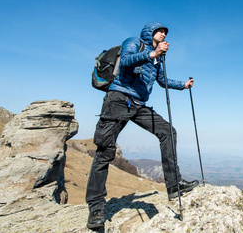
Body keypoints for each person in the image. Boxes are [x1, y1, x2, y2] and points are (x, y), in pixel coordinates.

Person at [85, 22, 199, 230]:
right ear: (149, 33)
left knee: (168, 132)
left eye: (165, 32)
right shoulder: (133, 43)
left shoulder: (158, 58)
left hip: (138, 105)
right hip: (118, 100)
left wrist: (183, 85)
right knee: (105, 151)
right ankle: (96, 207)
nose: (163, 33)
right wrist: (153, 54)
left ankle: (174, 186)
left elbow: (163, 82)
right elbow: (127, 61)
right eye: (159, 30)